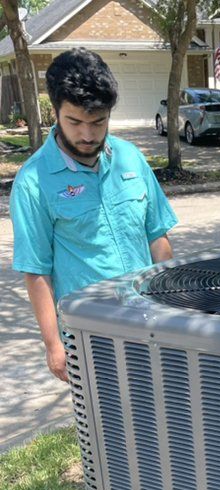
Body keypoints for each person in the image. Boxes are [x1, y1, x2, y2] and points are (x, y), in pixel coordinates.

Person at [10, 47, 178, 383]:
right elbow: (36, 270)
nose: (87, 135)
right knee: (109, 429)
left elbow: (157, 235)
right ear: (56, 112)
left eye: (98, 122)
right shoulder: (33, 182)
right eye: (75, 122)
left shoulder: (130, 158)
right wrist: (53, 344)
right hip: (90, 334)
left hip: (150, 321)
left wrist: (172, 303)